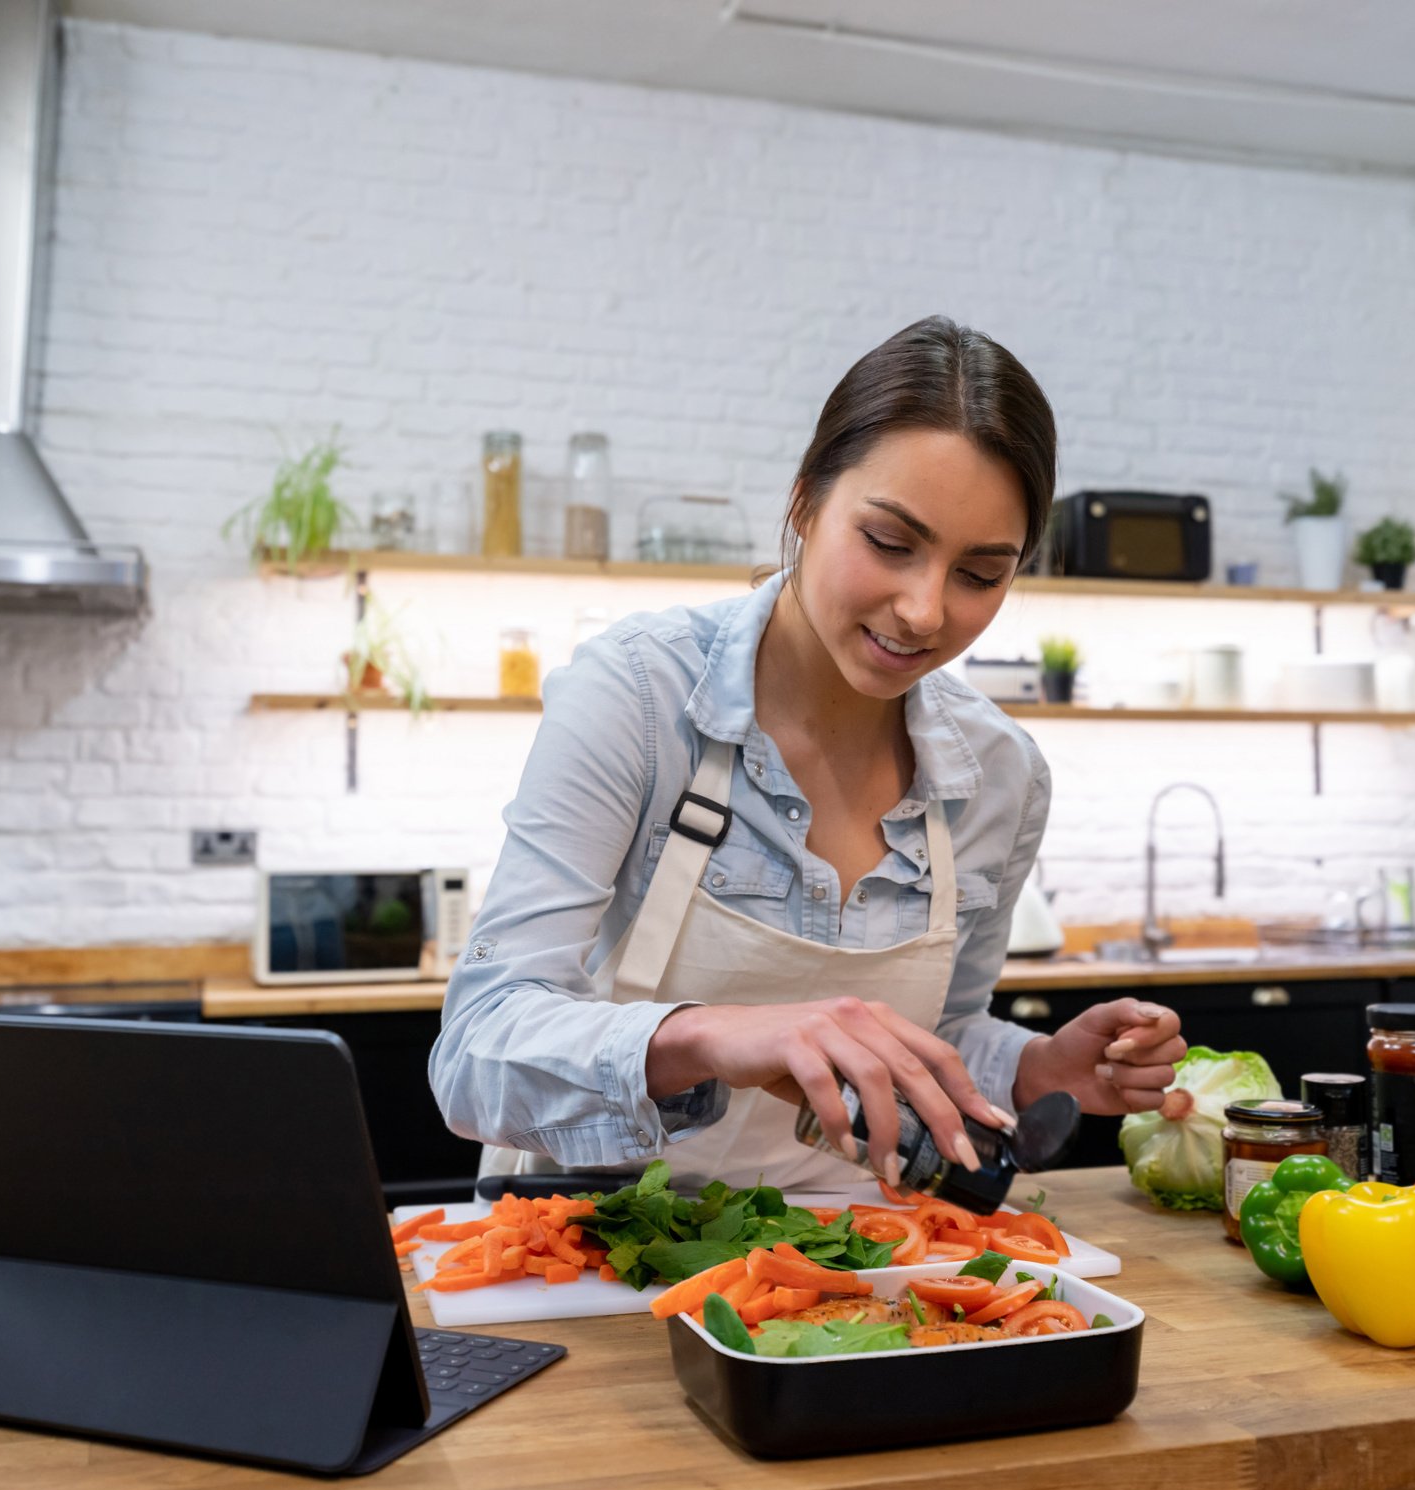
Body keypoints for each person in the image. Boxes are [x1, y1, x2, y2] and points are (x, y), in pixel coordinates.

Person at [430, 316, 1186, 1192]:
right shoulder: (637, 697)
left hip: (845, 1278)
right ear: (804, 502)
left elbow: (939, 1036)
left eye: (980, 574)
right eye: (890, 544)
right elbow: (476, 1050)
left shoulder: (1000, 775)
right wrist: (710, 1034)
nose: (924, 610)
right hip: (589, 1257)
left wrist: (1037, 1068)